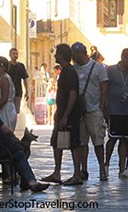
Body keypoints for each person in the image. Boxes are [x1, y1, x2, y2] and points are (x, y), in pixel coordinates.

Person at [41, 44, 83, 186]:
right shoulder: (66, 71)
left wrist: (65, 115)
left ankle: (77, 174)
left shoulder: (69, 72)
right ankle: (57, 172)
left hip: (69, 114)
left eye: (57, 53)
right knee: (56, 142)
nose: (55, 55)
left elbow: (72, 94)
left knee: (74, 143)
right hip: (63, 113)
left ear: (62, 55)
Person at [71, 41, 109, 181]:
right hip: (80, 111)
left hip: (94, 109)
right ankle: (84, 170)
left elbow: (104, 87)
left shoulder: (98, 67)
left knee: (98, 141)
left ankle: (102, 169)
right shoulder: (74, 69)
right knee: (82, 142)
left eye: (75, 55)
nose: (74, 58)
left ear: (82, 53)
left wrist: (102, 107)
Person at [105, 48, 128, 179]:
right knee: (113, 138)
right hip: (115, 109)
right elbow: (105, 87)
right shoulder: (111, 70)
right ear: (123, 57)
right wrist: (104, 107)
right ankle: (106, 165)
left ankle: (122, 168)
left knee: (125, 139)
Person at [0, 56, 17, 132]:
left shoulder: (4, 79)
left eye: (0, 64)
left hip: (6, 111)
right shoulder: (2, 78)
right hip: (4, 109)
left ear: (5, 66)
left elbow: (4, 98)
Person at [7, 47, 29, 114]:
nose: (15, 55)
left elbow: (25, 79)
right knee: (8, 111)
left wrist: (27, 91)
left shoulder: (21, 66)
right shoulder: (7, 65)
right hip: (8, 92)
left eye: (16, 54)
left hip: (18, 91)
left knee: (16, 111)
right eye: (13, 54)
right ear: (10, 55)